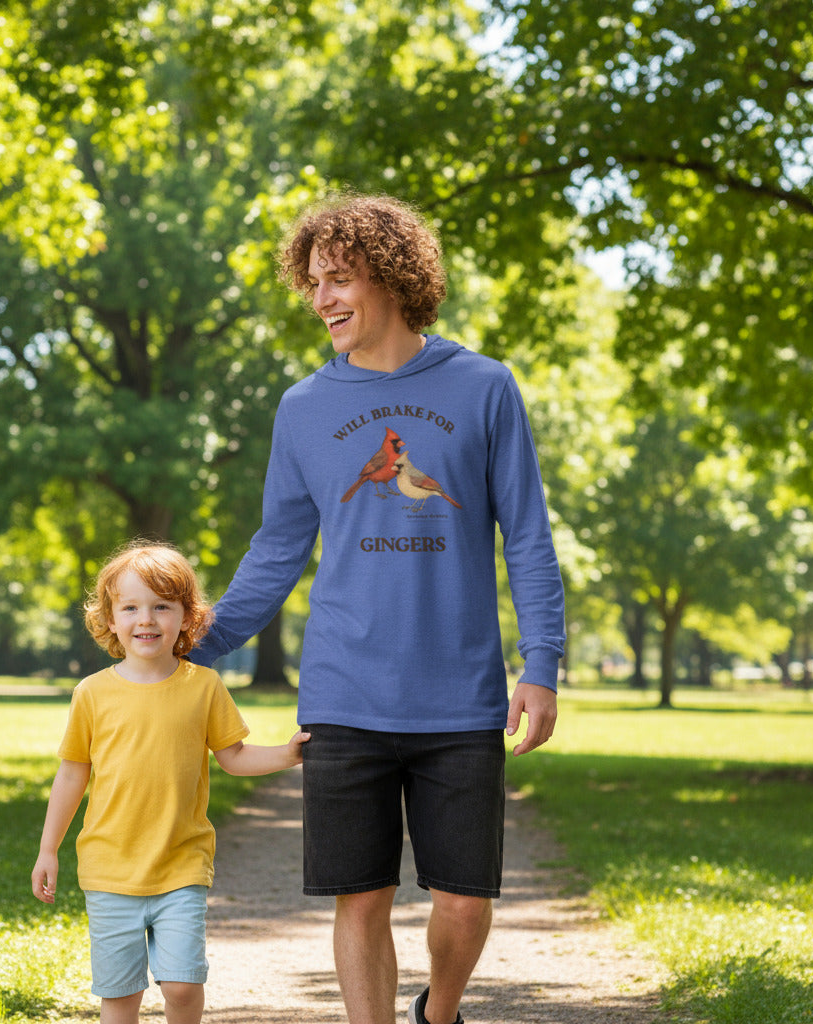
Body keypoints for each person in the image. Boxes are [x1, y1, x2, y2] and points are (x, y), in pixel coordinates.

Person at [189, 193, 565, 1024]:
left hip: (461, 696)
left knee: (464, 902)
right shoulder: (302, 407)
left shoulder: (485, 386)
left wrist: (542, 665)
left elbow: (528, 538)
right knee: (358, 899)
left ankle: (440, 1014)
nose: (322, 299)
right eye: (313, 283)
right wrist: (193, 646)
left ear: (393, 277)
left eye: (339, 279)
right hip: (343, 693)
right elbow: (277, 549)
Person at [31, 540, 309, 1024]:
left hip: (181, 863)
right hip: (110, 869)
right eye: (131, 607)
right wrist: (48, 848)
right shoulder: (92, 693)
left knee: (182, 987)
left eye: (162, 606)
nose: (147, 619)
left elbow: (234, 756)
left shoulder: (203, 686)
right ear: (110, 619)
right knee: (120, 996)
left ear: (187, 617)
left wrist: (287, 754)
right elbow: (73, 771)